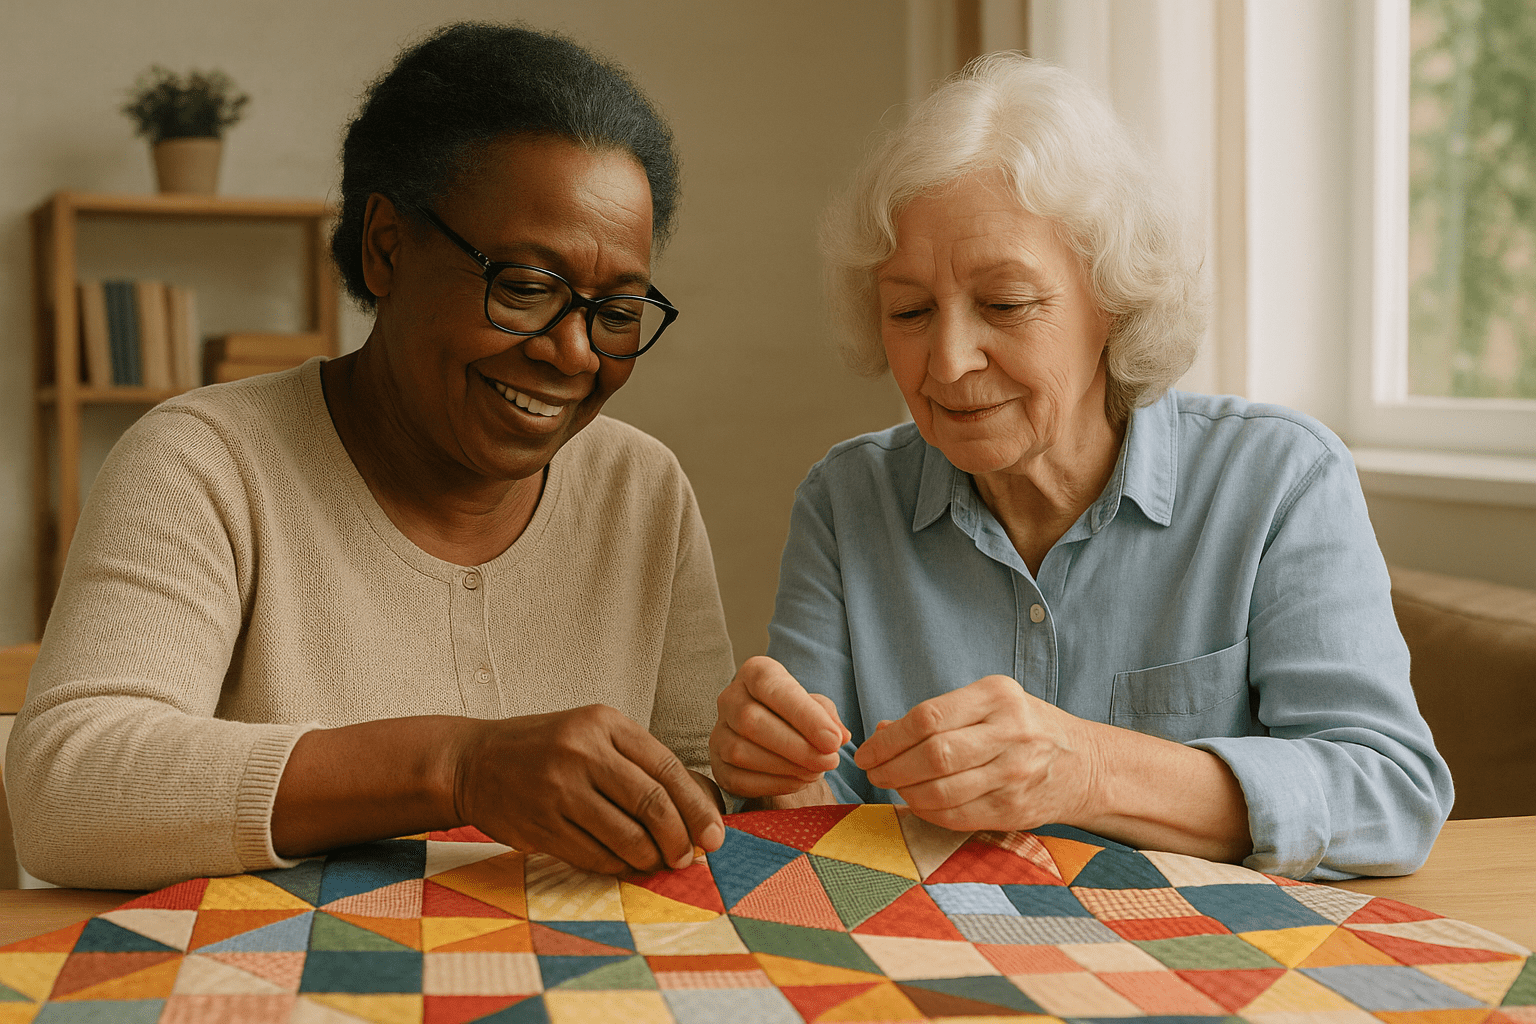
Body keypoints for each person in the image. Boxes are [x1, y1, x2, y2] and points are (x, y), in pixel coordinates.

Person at [8, 23, 735, 890]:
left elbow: (705, 786)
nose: (574, 352)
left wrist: (751, 769)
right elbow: (65, 791)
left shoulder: (640, 489)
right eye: (527, 288)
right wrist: (455, 765)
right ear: (387, 247)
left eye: (615, 311)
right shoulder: (204, 465)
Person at [709, 54, 1454, 881]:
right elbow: (824, 822)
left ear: (1114, 299)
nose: (948, 361)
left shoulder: (1280, 480)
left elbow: (1389, 794)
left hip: (1204, 971)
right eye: (910, 310)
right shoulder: (847, 501)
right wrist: (771, 771)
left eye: (1005, 304)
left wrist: (1088, 769)